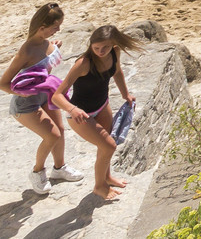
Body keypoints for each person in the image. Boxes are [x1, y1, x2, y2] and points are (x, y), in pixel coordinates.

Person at [0, 3, 81, 195]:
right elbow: (2, 84)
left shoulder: (48, 44)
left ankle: (59, 169)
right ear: (42, 28)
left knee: (60, 130)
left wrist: (56, 49)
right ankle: (37, 172)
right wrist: (20, 93)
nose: (58, 30)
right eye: (55, 27)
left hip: (45, 95)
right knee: (52, 135)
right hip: (25, 104)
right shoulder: (26, 51)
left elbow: (44, 68)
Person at [52, 25, 141, 201]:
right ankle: (99, 186)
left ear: (113, 44)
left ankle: (106, 177)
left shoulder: (115, 52)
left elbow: (117, 72)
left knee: (107, 144)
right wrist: (72, 108)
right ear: (90, 45)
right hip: (80, 114)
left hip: (102, 106)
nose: (100, 51)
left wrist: (125, 94)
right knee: (109, 146)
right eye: (96, 48)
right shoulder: (84, 63)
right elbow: (57, 95)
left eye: (105, 47)